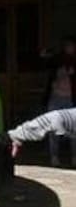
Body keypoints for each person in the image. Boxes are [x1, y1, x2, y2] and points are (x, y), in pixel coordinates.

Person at [40, 37, 76, 166]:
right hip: (56, 98)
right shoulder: (57, 61)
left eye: (71, 46)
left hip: (70, 99)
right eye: (67, 46)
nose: (69, 49)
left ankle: (74, 157)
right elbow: (45, 60)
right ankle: (54, 156)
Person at [9, 107, 76, 160]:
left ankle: (14, 137)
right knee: (35, 128)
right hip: (58, 119)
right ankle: (13, 137)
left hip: (59, 118)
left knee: (35, 127)